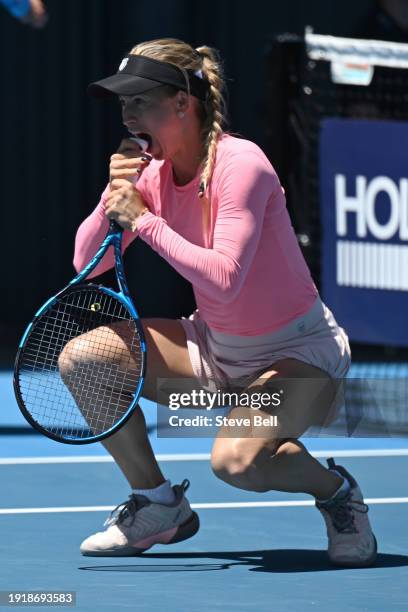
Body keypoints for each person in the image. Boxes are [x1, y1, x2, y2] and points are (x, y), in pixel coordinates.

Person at [70, 38, 377, 567]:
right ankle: (157, 503)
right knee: (84, 361)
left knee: (238, 463)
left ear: (183, 105)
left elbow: (225, 278)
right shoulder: (149, 171)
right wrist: (112, 197)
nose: (128, 113)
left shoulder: (242, 165)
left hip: (299, 358)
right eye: (123, 102)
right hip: (216, 351)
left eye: (140, 100)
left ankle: (336, 492)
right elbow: (85, 264)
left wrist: (143, 219)